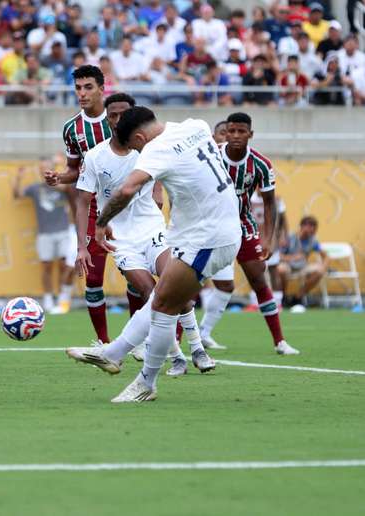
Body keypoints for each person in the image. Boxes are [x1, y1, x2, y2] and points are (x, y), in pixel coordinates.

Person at [66, 107, 242, 403]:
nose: (138, 153)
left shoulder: (156, 149)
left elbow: (127, 189)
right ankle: (113, 353)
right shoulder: (196, 125)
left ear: (139, 137)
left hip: (206, 238)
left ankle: (146, 382)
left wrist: (101, 224)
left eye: (136, 147)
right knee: (160, 298)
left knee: (163, 305)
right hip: (213, 231)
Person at [197, 113, 299, 355]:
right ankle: (177, 344)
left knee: (258, 279)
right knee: (191, 283)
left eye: (241, 131)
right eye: (231, 131)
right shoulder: (211, 154)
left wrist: (269, 239)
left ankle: (280, 342)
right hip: (210, 227)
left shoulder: (261, 164)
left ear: (250, 134)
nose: (235, 136)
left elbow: (270, 203)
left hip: (243, 226)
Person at [43, 65, 115, 346]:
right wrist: (59, 177)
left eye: (88, 87)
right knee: (93, 278)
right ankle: (103, 342)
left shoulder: (119, 118)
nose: (82, 93)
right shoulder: (72, 128)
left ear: (101, 89)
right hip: (94, 206)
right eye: (78, 88)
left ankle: (148, 341)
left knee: (139, 276)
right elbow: (75, 170)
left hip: (128, 205)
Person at [13, 160, 76, 314]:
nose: (44, 171)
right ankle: (48, 298)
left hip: (63, 231)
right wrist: (18, 178)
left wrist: (57, 178)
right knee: (46, 266)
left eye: (47, 168)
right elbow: (16, 195)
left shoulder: (62, 186)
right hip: (44, 233)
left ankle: (62, 298)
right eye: (42, 169)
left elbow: (71, 189)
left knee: (64, 265)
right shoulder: (36, 188)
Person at [277, 215, 329, 312]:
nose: (312, 230)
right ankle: (283, 297)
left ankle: (298, 297)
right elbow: (278, 255)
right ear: (302, 226)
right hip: (287, 265)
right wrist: (293, 257)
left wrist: (325, 266)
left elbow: (325, 255)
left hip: (302, 267)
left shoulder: (313, 240)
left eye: (314, 228)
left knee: (320, 271)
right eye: (309, 227)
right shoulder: (289, 237)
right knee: (281, 270)